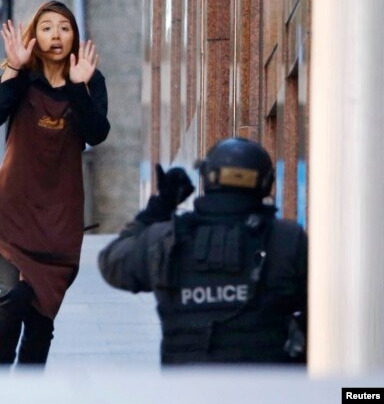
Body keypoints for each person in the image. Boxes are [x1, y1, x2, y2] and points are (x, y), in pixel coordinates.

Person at [0, 0, 110, 365]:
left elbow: (96, 134)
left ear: (75, 36)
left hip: (59, 222)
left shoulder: (89, 79)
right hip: (12, 214)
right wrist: (12, 70)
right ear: (34, 34)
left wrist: (79, 89)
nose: (56, 34)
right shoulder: (21, 77)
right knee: (14, 294)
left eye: (65, 27)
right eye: (47, 26)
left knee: (41, 316)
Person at [98, 137, 307, 365]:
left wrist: (162, 205)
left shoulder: (166, 238)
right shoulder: (288, 239)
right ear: (266, 184)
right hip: (274, 391)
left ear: (206, 178)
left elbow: (113, 263)